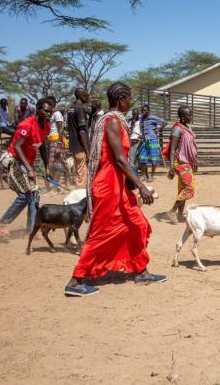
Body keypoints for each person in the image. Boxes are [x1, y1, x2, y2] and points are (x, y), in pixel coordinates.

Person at [64, 82, 166, 297]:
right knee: (101, 232)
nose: (130, 102)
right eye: (129, 98)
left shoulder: (114, 121)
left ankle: (140, 271)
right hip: (108, 184)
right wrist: (141, 186)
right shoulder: (111, 121)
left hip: (118, 183)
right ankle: (76, 280)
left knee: (136, 225)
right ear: (120, 99)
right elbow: (119, 159)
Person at [0, 98, 52, 237]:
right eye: (46, 111)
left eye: (51, 111)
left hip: (27, 163)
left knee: (35, 195)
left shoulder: (47, 126)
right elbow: (17, 147)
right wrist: (30, 169)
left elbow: (43, 146)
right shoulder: (27, 124)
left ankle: (32, 228)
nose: (49, 114)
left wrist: (47, 167)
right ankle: (2, 222)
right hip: (14, 160)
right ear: (38, 110)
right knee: (26, 194)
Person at [166, 106, 197, 224]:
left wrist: (194, 161)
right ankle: (173, 211)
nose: (191, 117)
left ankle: (179, 214)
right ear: (183, 117)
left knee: (183, 188)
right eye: (189, 115)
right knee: (189, 188)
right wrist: (171, 167)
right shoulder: (177, 129)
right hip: (179, 162)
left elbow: (191, 146)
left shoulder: (187, 127)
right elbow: (172, 150)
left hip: (188, 162)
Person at [67, 88, 90, 188]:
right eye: (86, 95)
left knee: (78, 173)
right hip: (80, 147)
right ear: (80, 96)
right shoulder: (80, 108)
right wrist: (87, 151)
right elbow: (81, 131)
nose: (88, 97)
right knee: (82, 175)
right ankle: (79, 198)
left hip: (73, 145)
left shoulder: (71, 108)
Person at [137, 104, 167, 182]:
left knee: (154, 158)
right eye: (142, 110)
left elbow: (165, 122)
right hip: (145, 140)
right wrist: (141, 135)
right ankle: (143, 175)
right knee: (142, 158)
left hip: (153, 140)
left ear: (148, 111)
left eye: (145, 110)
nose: (143, 111)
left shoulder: (153, 117)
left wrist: (158, 129)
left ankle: (152, 176)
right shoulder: (142, 119)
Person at [45, 96, 67, 193]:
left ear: (53, 104)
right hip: (51, 141)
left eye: (49, 103)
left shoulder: (57, 114)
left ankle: (54, 189)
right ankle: (55, 187)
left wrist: (58, 144)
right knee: (52, 165)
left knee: (57, 165)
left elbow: (61, 128)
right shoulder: (51, 114)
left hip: (56, 140)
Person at [128, 108, 142, 172]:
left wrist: (141, 135)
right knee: (131, 157)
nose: (135, 115)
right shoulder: (130, 121)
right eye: (134, 114)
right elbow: (129, 131)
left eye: (136, 114)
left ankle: (135, 172)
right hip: (131, 140)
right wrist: (132, 124)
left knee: (138, 157)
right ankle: (133, 173)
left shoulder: (141, 121)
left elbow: (143, 130)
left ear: (138, 114)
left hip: (139, 140)